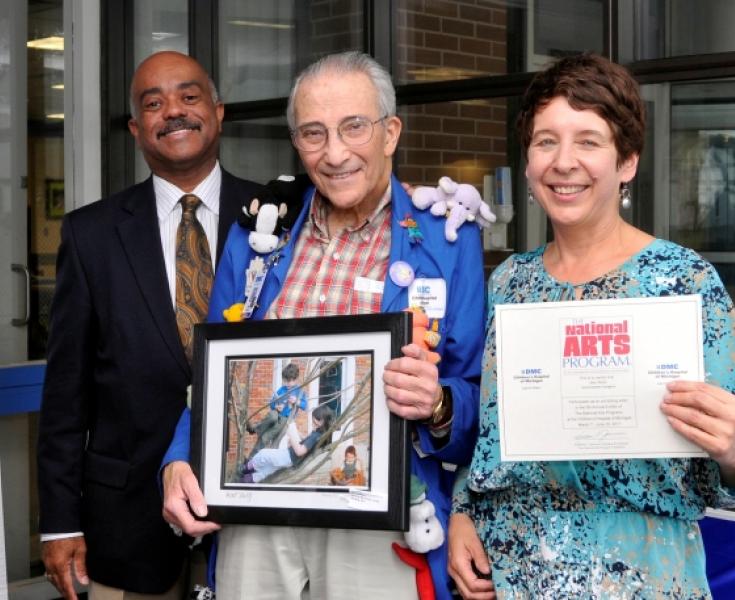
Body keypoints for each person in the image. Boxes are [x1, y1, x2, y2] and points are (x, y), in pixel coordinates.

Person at [447, 53, 735, 600]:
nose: (564, 162)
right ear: (528, 162)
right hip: (512, 575)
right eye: (546, 141)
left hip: (642, 579)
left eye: (588, 141)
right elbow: (492, 435)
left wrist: (734, 451)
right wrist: (463, 511)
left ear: (627, 162)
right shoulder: (510, 283)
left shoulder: (682, 281)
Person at [161, 51, 485, 599]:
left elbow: (477, 391)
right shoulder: (259, 233)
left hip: (381, 517)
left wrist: (438, 404)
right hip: (257, 511)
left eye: (354, 127)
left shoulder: (447, 240)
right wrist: (177, 459)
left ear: (390, 133)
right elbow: (212, 378)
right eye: (313, 133)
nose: (334, 153)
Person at [36, 51, 263, 600]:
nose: (174, 111)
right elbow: (66, 393)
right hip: (126, 521)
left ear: (218, 112)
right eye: (154, 103)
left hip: (257, 513)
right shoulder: (90, 235)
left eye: (189, 96)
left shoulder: (277, 215)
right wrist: (60, 523)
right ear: (137, 129)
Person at [241, 404, 334, 483]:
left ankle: (245, 468)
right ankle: (245, 481)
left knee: (263, 453)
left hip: (288, 456)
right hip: (290, 460)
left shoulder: (315, 435)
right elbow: (306, 445)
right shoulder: (319, 434)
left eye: (316, 420)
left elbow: (299, 451)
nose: (313, 422)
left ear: (323, 420)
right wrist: (299, 436)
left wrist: (291, 434)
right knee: (266, 470)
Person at [246, 361, 308, 454]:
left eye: (289, 381)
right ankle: (255, 429)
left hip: (285, 419)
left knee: (265, 437)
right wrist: (276, 406)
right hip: (276, 413)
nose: (287, 384)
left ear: (296, 379)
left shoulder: (299, 391)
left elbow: (305, 406)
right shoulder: (282, 389)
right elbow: (271, 403)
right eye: (285, 381)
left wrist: (296, 401)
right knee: (272, 416)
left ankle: (251, 457)